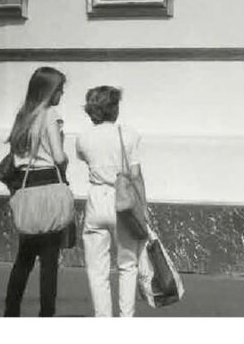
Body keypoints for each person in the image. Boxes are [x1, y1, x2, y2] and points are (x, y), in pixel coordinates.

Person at [73, 85, 151, 317]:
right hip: (123, 202)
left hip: (96, 199)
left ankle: (103, 320)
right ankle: (125, 319)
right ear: (113, 108)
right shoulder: (129, 135)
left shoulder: (83, 138)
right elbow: (136, 176)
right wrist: (144, 209)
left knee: (97, 270)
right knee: (128, 265)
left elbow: (84, 159)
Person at [2, 66, 72, 318]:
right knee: (49, 260)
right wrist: (65, 160)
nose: (61, 94)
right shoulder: (50, 115)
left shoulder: (23, 115)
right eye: (59, 89)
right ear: (48, 91)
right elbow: (58, 156)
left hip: (25, 187)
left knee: (24, 257)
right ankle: (46, 315)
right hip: (47, 186)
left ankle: (11, 312)